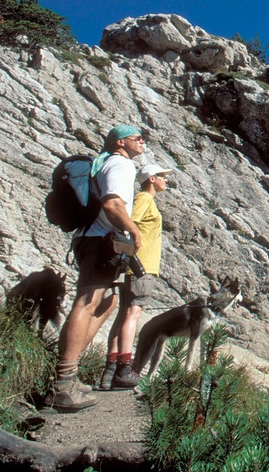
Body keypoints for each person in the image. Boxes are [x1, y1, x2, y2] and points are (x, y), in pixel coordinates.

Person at [48, 124, 146, 413]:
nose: (143, 141)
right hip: (101, 242)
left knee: (106, 301)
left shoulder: (105, 163)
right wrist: (134, 232)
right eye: (137, 137)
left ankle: (70, 375)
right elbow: (113, 203)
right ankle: (63, 384)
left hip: (90, 239)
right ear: (119, 142)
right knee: (87, 303)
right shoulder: (120, 164)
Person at [99, 162, 172, 390]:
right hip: (141, 266)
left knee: (123, 315)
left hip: (136, 265)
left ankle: (110, 370)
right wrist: (135, 245)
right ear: (151, 179)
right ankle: (124, 367)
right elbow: (128, 225)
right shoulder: (144, 199)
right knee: (132, 313)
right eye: (162, 176)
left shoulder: (144, 199)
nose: (166, 180)